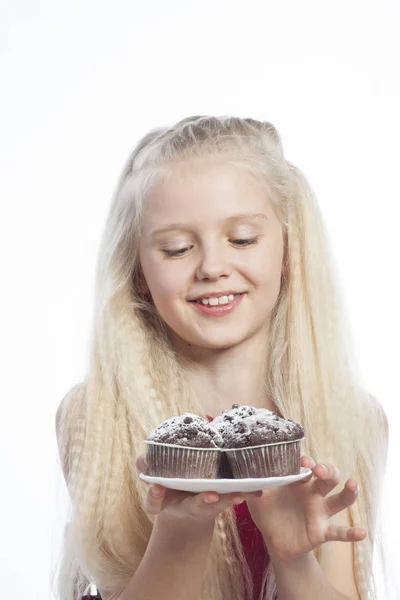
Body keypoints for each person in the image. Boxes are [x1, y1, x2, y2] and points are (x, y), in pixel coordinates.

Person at [55, 116, 390, 600]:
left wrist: (294, 560)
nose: (212, 267)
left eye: (242, 240)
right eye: (177, 248)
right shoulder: (97, 418)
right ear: (138, 270)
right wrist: (181, 530)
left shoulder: (354, 419)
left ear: (288, 250)